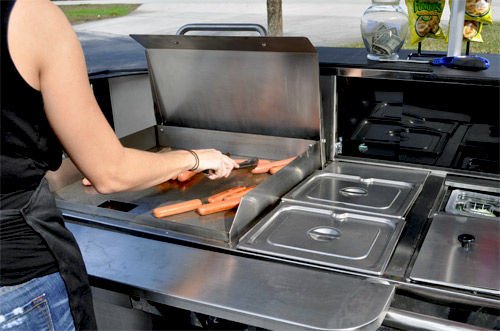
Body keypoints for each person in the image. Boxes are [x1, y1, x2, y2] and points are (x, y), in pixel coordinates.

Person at [0, 0, 238, 329]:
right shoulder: (31, 17)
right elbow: (111, 174)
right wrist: (195, 157)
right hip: (19, 282)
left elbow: (46, 171)